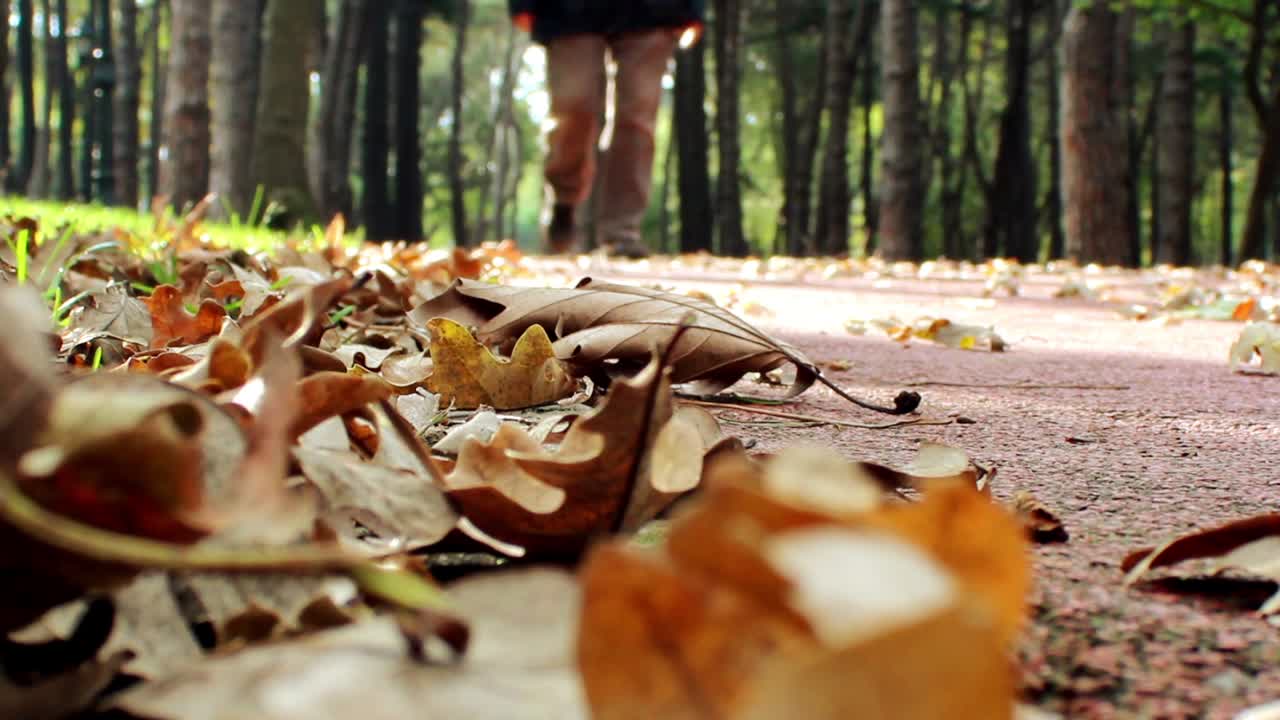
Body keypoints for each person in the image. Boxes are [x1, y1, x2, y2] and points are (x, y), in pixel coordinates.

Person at [509, 1, 705, 257]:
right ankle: (564, 200)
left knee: (637, 117)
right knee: (574, 106)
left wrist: (694, 7)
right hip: (567, 10)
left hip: (655, 9)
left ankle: (622, 232)